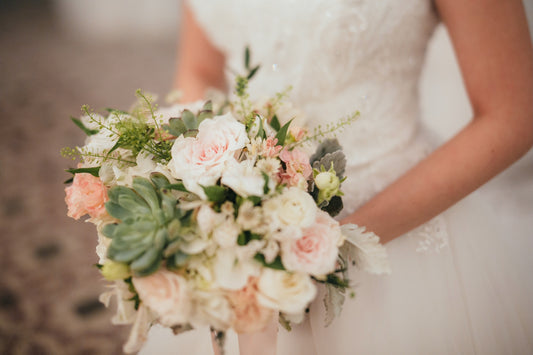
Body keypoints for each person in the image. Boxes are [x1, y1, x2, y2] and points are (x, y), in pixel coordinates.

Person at [140, 0, 533, 354]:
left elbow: (513, 115)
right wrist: (195, 190)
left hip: (395, 233)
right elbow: (200, 70)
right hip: (243, 239)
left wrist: (329, 246)